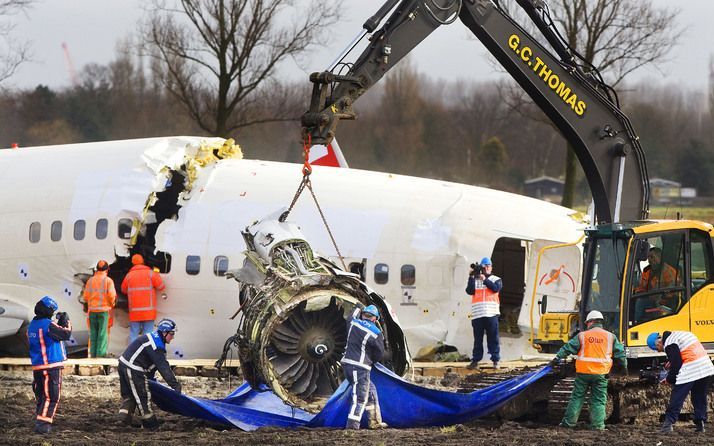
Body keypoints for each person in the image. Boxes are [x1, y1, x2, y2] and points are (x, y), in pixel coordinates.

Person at [552, 310, 627, 430]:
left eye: (587, 322)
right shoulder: (610, 336)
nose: (587, 324)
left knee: (577, 398)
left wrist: (557, 358)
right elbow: (620, 354)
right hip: (601, 374)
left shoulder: (582, 335)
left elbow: (568, 347)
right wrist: (624, 368)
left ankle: (568, 423)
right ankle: (597, 426)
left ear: (591, 322)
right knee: (598, 400)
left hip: (583, 373)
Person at [118, 318, 181, 429]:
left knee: (130, 395)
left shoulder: (154, 338)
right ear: (164, 332)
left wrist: (150, 379)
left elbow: (152, 366)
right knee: (143, 397)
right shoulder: (157, 346)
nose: (173, 337)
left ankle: (123, 421)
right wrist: (175, 385)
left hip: (124, 364)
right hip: (133, 368)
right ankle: (150, 425)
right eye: (171, 334)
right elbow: (163, 367)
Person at [647, 331, 714, 433]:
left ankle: (667, 426)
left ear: (658, 343)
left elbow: (677, 364)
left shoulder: (669, 342)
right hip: (706, 367)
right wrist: (671, 360)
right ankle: (701, 424)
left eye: (657, 349)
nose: (659, 351)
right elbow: (686, 351)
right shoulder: (681, 334)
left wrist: (669, 379)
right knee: (699, 396)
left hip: (691, 368)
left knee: (677, 396)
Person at [27, 296, 72, 434]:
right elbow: (66, 334)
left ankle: (40, 419)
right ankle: (43, 425)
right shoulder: (48, 324)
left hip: (38, 366)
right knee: (52, 397)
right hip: (51, 367)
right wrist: (67, 321)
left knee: (42, 396)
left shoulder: (31, 325)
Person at [340, 304, 387, 430]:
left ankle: (374, 421)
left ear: (363, 315)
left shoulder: (352, 323)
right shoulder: (376, 333)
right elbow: (379, 354)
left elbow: (351, 315)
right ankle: (352, 428)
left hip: (347, 366)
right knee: (360, 398)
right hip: (360, 368)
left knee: (370, 390)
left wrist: (358, 306)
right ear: (375, 319)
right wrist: (370, 361)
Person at [465, 257, 503, 369]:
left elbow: (495, 288)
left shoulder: (496, 279)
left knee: (493, 338)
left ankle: (496, 360)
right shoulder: (475, 279)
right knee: (478, 339)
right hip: (477, 314)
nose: (486, 267)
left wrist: (484, 280)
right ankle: (475, 360)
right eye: (484, 266)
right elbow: (469, 291)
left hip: (491, 313)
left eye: (488, 265)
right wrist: (471, 276)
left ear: (491, 267)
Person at [121, 254, 166, 342]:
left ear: (133, 263)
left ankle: (132, 354)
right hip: (148, 312)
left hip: (134, 313)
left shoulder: (129, 276)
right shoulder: (150, 273)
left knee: (134, 335)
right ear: (143, 262)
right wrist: (157, 274)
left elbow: (123, 290)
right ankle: (146, 354)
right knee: (148, 336)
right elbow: (161, 287)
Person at [634, 247, 679, 321]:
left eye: (652, 257)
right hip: (650, 299)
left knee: (640, 302)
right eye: (648, 257)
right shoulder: (647, 271)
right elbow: (641, 287)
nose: (649, 260)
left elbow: (674, 291)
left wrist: (661, 297)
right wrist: (637, 291)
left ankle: (636, 322)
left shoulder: (669, 272)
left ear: (660, 257)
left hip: (664, 302)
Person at [83, 259, 117, 358]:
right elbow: (112, 295)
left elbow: (85, 297)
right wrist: (112, 304)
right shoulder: (108, 281)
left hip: (92, 311)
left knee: (93, 334)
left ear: (97, 269)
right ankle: (100, 356)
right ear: (107, 270)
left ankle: (93, 355)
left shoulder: (90, 281)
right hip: (103, 311)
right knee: (102, 334)